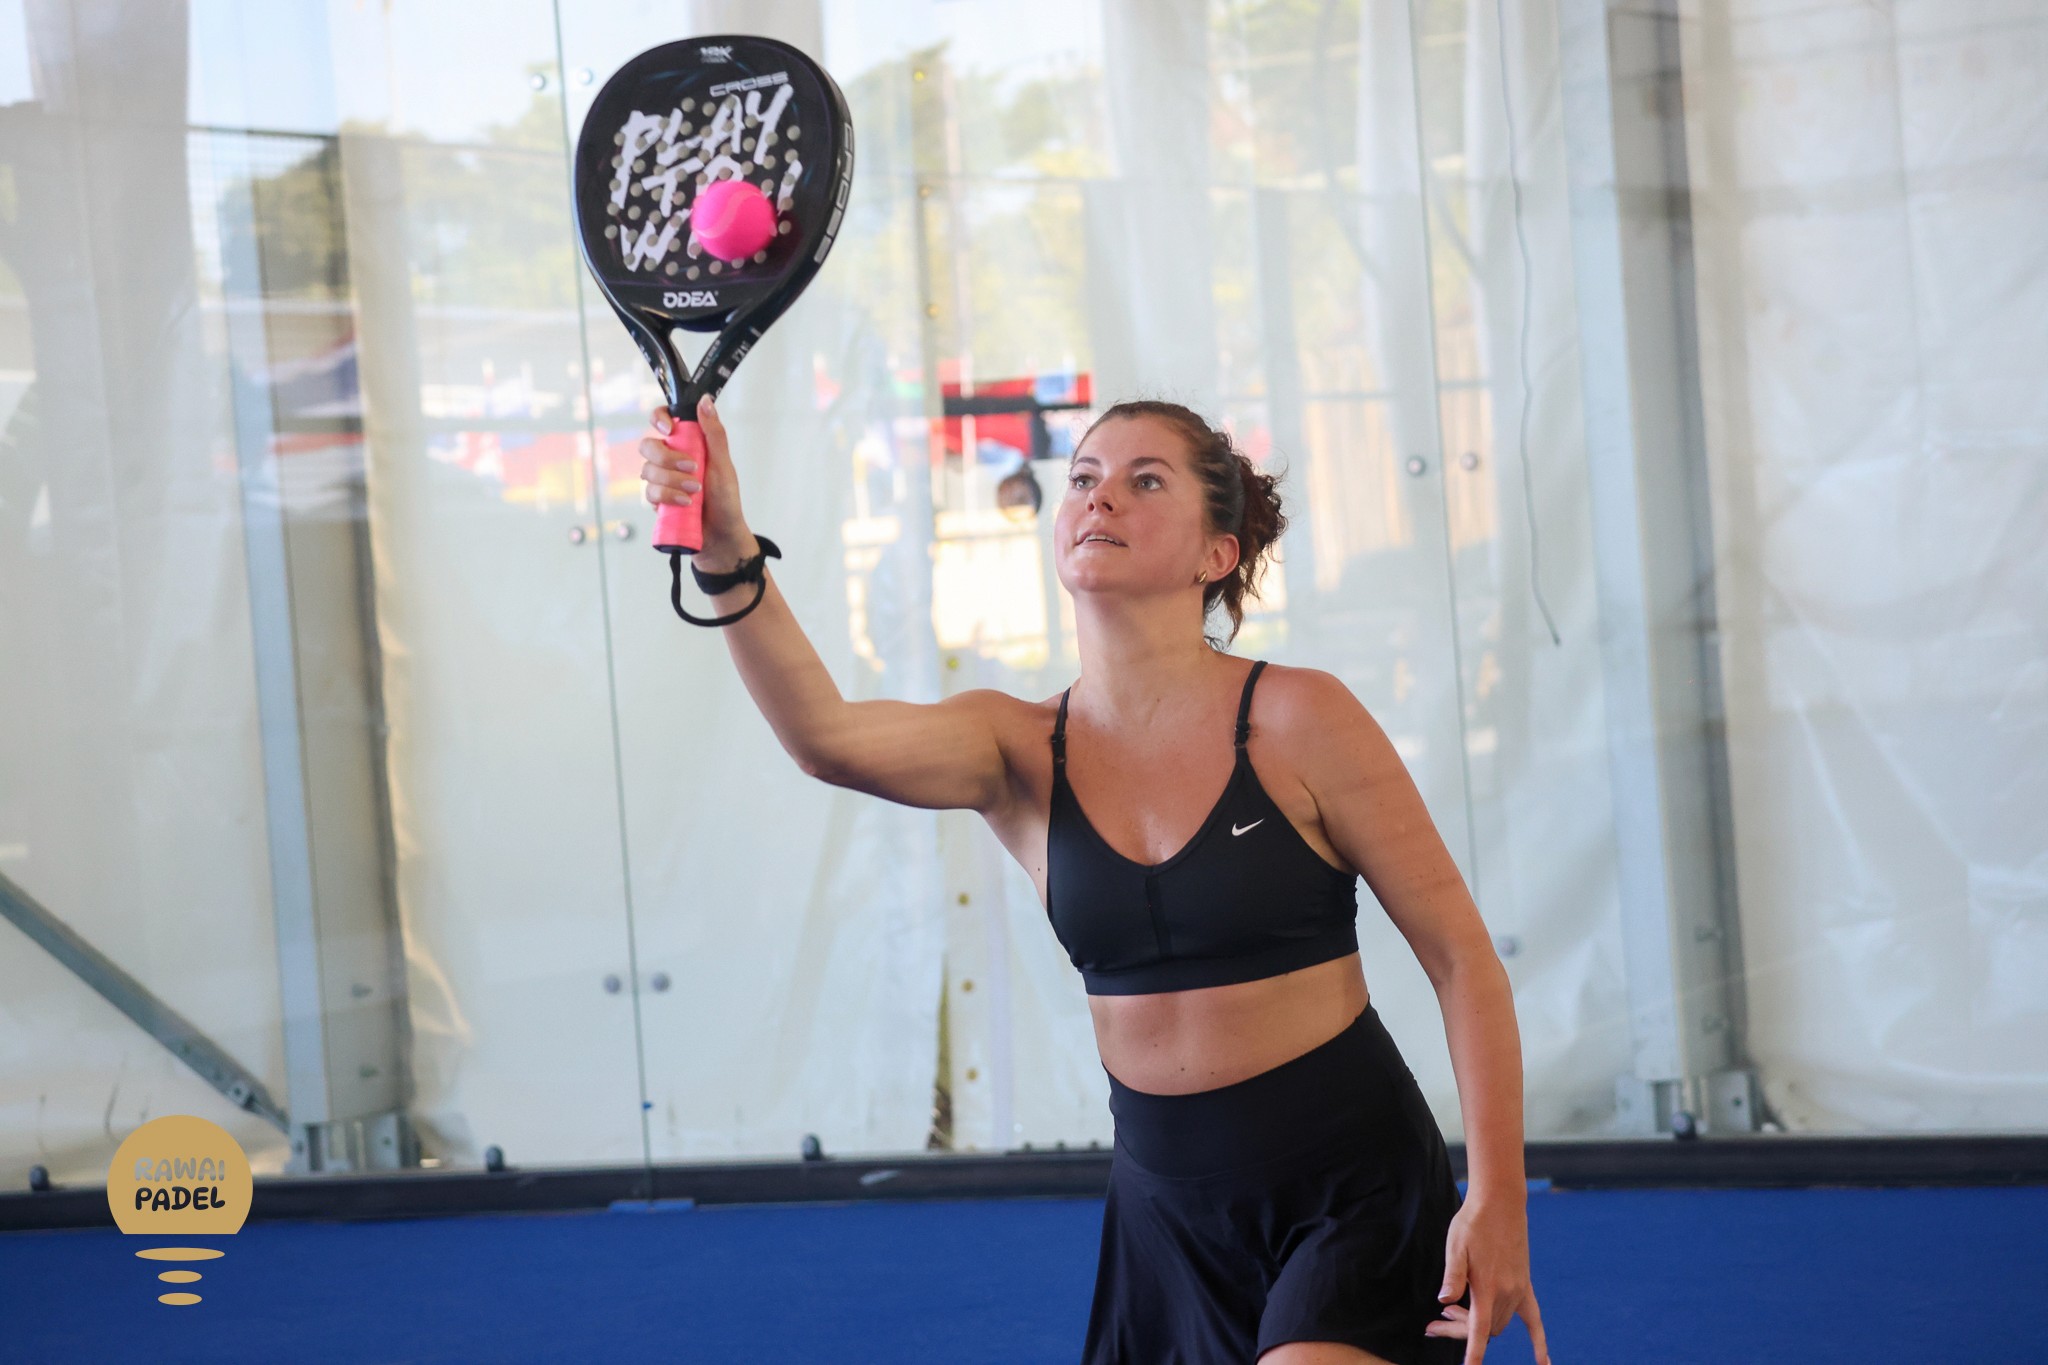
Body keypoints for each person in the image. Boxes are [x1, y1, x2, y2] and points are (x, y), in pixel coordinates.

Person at [640, 394, 1550, 1365]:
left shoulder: (1299, 718)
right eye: (1082, 477)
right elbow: (824, 738)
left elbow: (1462, 960)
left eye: (1143, 481)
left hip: (1351, 1195)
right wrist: (725, 548)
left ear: (1216, 554)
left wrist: (1497, 1198)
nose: (1098, 497)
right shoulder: (1015, 748)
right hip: (1163, 1221)